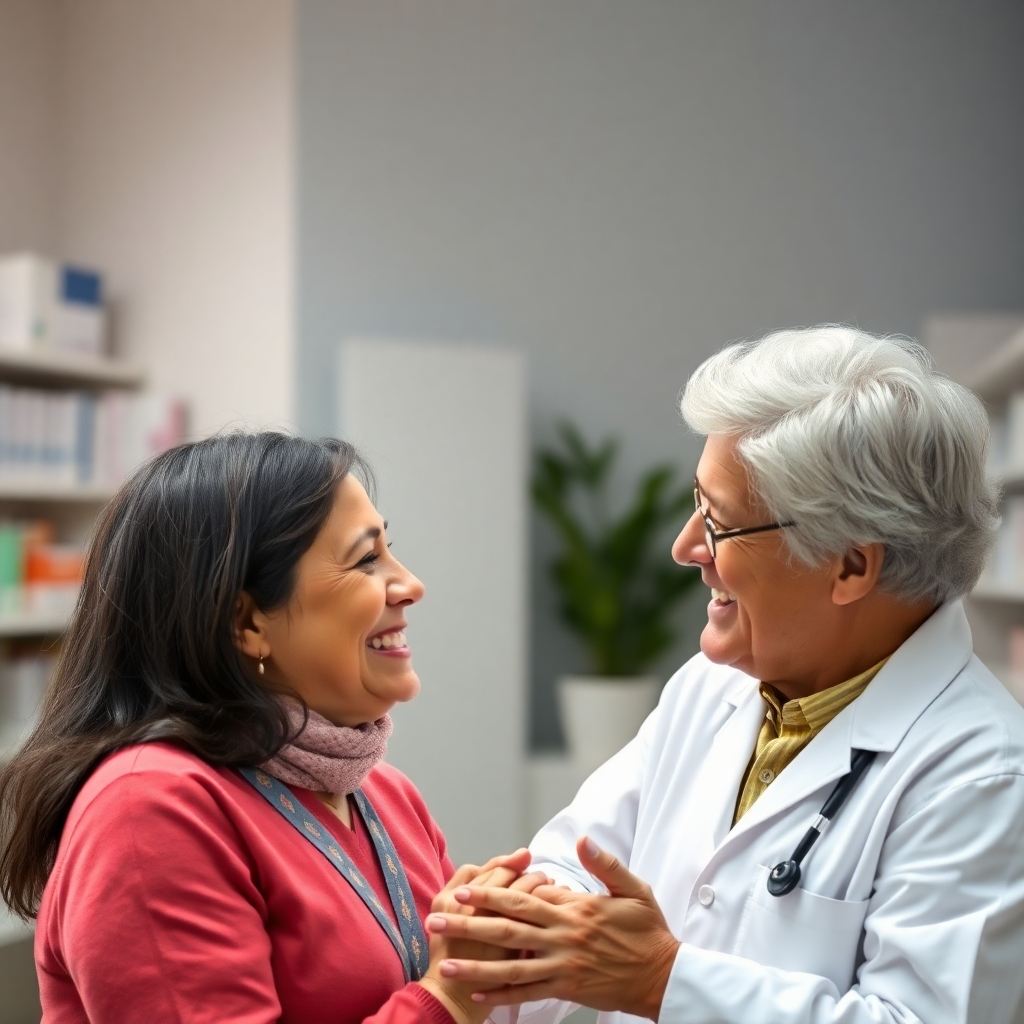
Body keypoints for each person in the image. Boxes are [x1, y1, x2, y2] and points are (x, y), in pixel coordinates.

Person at [425, 327, 1024, 1024]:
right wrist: (514, 923)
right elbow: (576, 857)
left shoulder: (983, 773)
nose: (685, 548)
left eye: (718, 523)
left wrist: (662, 980)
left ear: (852, 566)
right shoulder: (712, 690)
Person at [0, 432, 546, 1024]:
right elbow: (446, 995)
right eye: (366, 559)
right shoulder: (146, 808)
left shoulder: (383, 793)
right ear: (247, 623)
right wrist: (449, 998)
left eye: (390, 551)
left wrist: (507, 948)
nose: (410, 584)